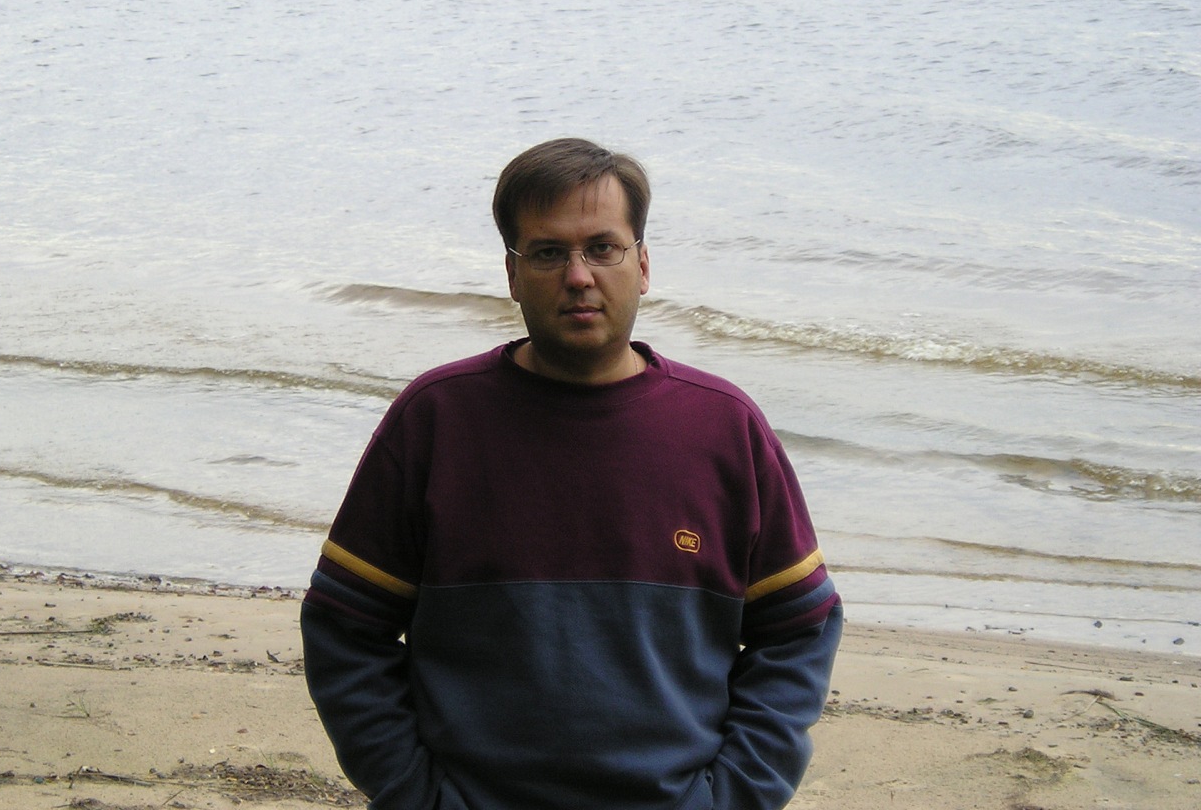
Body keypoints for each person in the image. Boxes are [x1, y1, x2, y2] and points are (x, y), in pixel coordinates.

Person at [301, 138, 842, 810]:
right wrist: (417, 795)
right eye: (548, 253)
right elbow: (346, 627)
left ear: (642, 264)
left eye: (602, 248)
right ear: (512, 273)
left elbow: (797, 629)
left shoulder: (723, 429)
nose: (578, 275)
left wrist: (731, 797)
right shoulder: (437, 419)